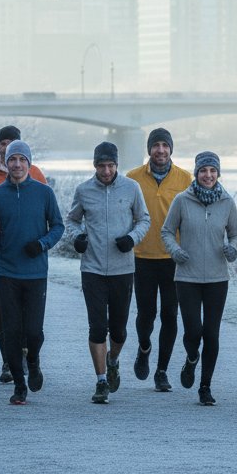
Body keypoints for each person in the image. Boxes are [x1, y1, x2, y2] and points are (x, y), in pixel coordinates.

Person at [66, 141, 151, 403]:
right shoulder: (84, 190)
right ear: (95, 166)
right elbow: (71, 220)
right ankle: (101, 381)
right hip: (91, 268)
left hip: (122, 268)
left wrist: (132, 238)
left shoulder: (131, 188)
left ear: (117, 165)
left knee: (119, 331)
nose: (106, 170)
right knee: (97, 327)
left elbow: (144, 219)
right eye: (101, 166)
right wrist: (77, 238)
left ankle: (113, 359)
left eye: (110, 165)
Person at [0, 140, 64, 406]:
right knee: (11, 330)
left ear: (29, 163)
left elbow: (58, 227)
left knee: (34, 331)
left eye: (22, 160)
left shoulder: (44, 193)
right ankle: (19, 384)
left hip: (35, 272)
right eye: (12, 159)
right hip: (6, 271)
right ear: (6, 163)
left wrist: (41, 244)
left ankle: (33, 360)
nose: (16, 164)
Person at [160, 151, 237, 406]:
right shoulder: (182, 200)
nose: (208, 175)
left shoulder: (227, 202)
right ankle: (191, 358)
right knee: (193, 331)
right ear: (196, 173)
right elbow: (166, 231)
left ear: (218, 174)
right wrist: (175, 251)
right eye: (204, 171)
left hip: (218, 278)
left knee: (212, 333)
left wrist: (233, 249)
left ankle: (205, 387)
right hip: (187, 277)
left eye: (213, 171)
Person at [0, 125, 48, 384]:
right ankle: (8, 360)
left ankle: (28, 353)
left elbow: (45, 211)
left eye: (13, 144)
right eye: (3, 143)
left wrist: (41, 242)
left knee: (30, 317)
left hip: (30, 254)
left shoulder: (37, 175)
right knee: (4, 310)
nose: (8, 148)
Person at [126, 128, 192, 392]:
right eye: (156, 146)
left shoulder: (186, 178)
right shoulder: (132, 179)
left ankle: (162, 371)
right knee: (146, 315)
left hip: (173, 259)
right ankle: (144, 347)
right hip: (141, 257)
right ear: (149, 149)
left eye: (165, 145)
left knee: (169, 315)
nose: (160, 150)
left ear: (171, 149)